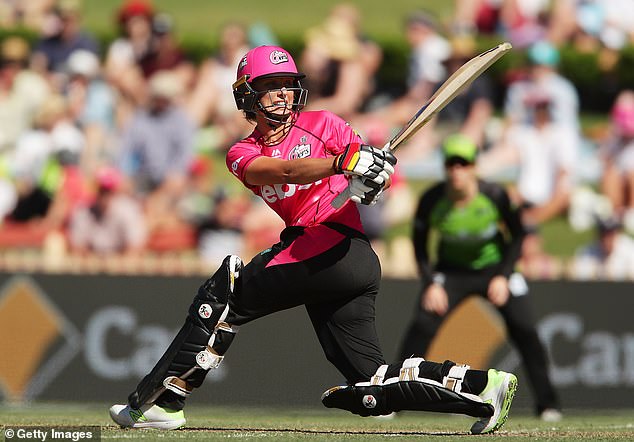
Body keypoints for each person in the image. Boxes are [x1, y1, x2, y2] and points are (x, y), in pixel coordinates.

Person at [109, 45, 517, 434]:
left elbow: (371, 175)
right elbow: (286, 171)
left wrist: (373, 175)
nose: (283, 94)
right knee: (371, 384)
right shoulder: (241, 152)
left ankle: (160, 403)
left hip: (334, 247)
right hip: (328, 257)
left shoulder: (326, 123)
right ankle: (483, 388)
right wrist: (343, 163)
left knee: (226, 292)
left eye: (287, 85)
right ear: (248, 96)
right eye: (270, 87)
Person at [398, 134, 561, 421]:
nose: (457, 170)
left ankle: (548, 405)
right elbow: (420, 245)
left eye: (463, 163)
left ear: (474, 167)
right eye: (451, 164)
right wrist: (431, 283)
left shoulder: (495, 196)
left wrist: (503, 276)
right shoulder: (432, 200)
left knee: (526, 331)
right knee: (421, 327)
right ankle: (394, 400)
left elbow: (518, 236)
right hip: (451, 271)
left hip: (495, 270)